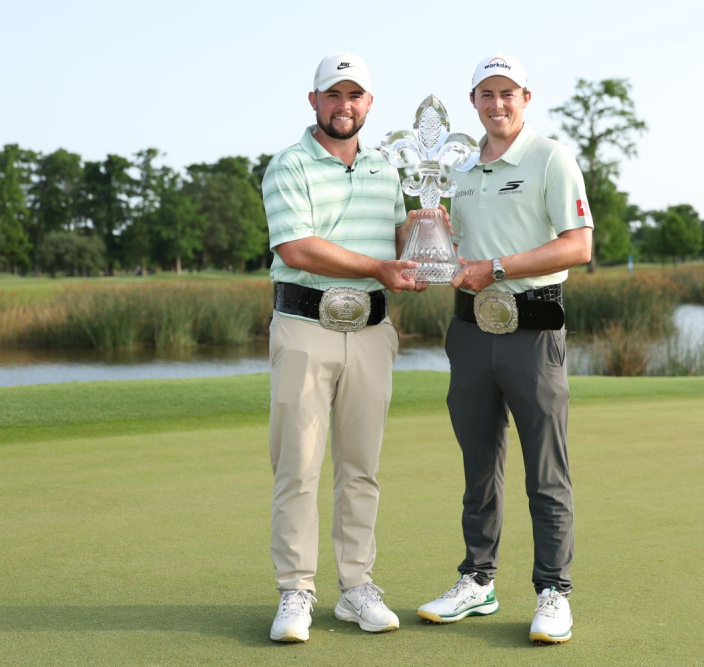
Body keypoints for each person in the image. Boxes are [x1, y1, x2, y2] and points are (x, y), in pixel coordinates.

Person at [417, 54, 593, 644]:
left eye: (508, 94)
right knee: (478, 467)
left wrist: (495, 267)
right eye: (487, 95)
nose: (498, 104)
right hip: (468, 333)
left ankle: (553, 591)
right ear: (473, 103)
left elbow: (577, 245)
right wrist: (432, 229)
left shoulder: (550, 157)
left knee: (546, 470)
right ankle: (478, 580)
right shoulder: (460, 169)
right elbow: (451, 254)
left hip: (532, 328)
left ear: (526, 97)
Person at [261, 52, 426, 643]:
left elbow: (398, 236)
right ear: (314, 102)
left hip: (374, 333)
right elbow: (298, 248)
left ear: (369, 105)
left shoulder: (387, 170)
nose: (344, 106)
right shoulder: (288, 166)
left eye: (355, 96)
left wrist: (427, 231)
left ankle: (355, 588)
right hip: (306, 326)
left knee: (361, 469)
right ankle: (295, 593)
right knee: (298, 469)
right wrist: (381, 266)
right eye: (334, 95)